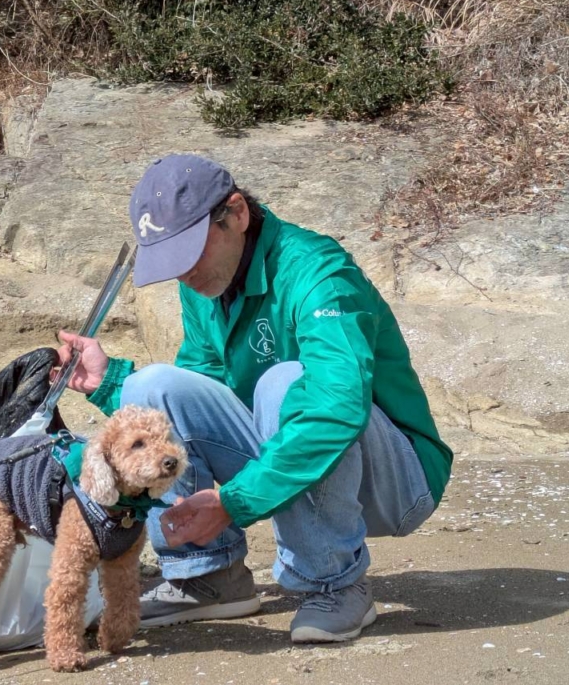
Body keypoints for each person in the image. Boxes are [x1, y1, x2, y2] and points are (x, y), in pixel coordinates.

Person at [56, 154, 452, 643]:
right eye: (171, 260)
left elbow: (336, 407)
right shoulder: (205, 284)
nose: (183, 273)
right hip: (288, 460)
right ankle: (208, 576)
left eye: (189, 252)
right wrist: (107, 382)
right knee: (153, 386)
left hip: (396, 483)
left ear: (237, 213)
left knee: (284, 383)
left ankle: (334, 583)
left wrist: (234, 500)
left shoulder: (318, 270)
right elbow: (198, 391)